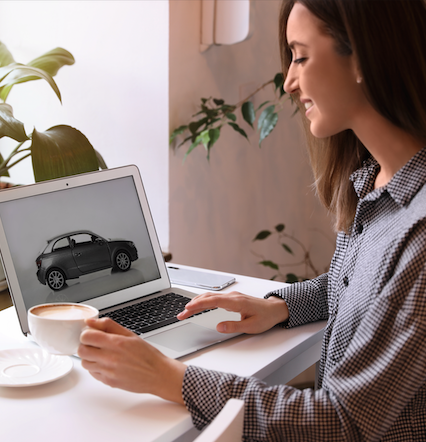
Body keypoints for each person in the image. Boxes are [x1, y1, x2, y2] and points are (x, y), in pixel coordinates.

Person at [78, 0, 426, 439]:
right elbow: (355, 288)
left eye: (301, 55)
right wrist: (276, 307)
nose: (291, 82)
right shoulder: (375, 181)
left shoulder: (421, 232)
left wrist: (168, 378)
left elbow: (344, 422)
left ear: (364, 54)